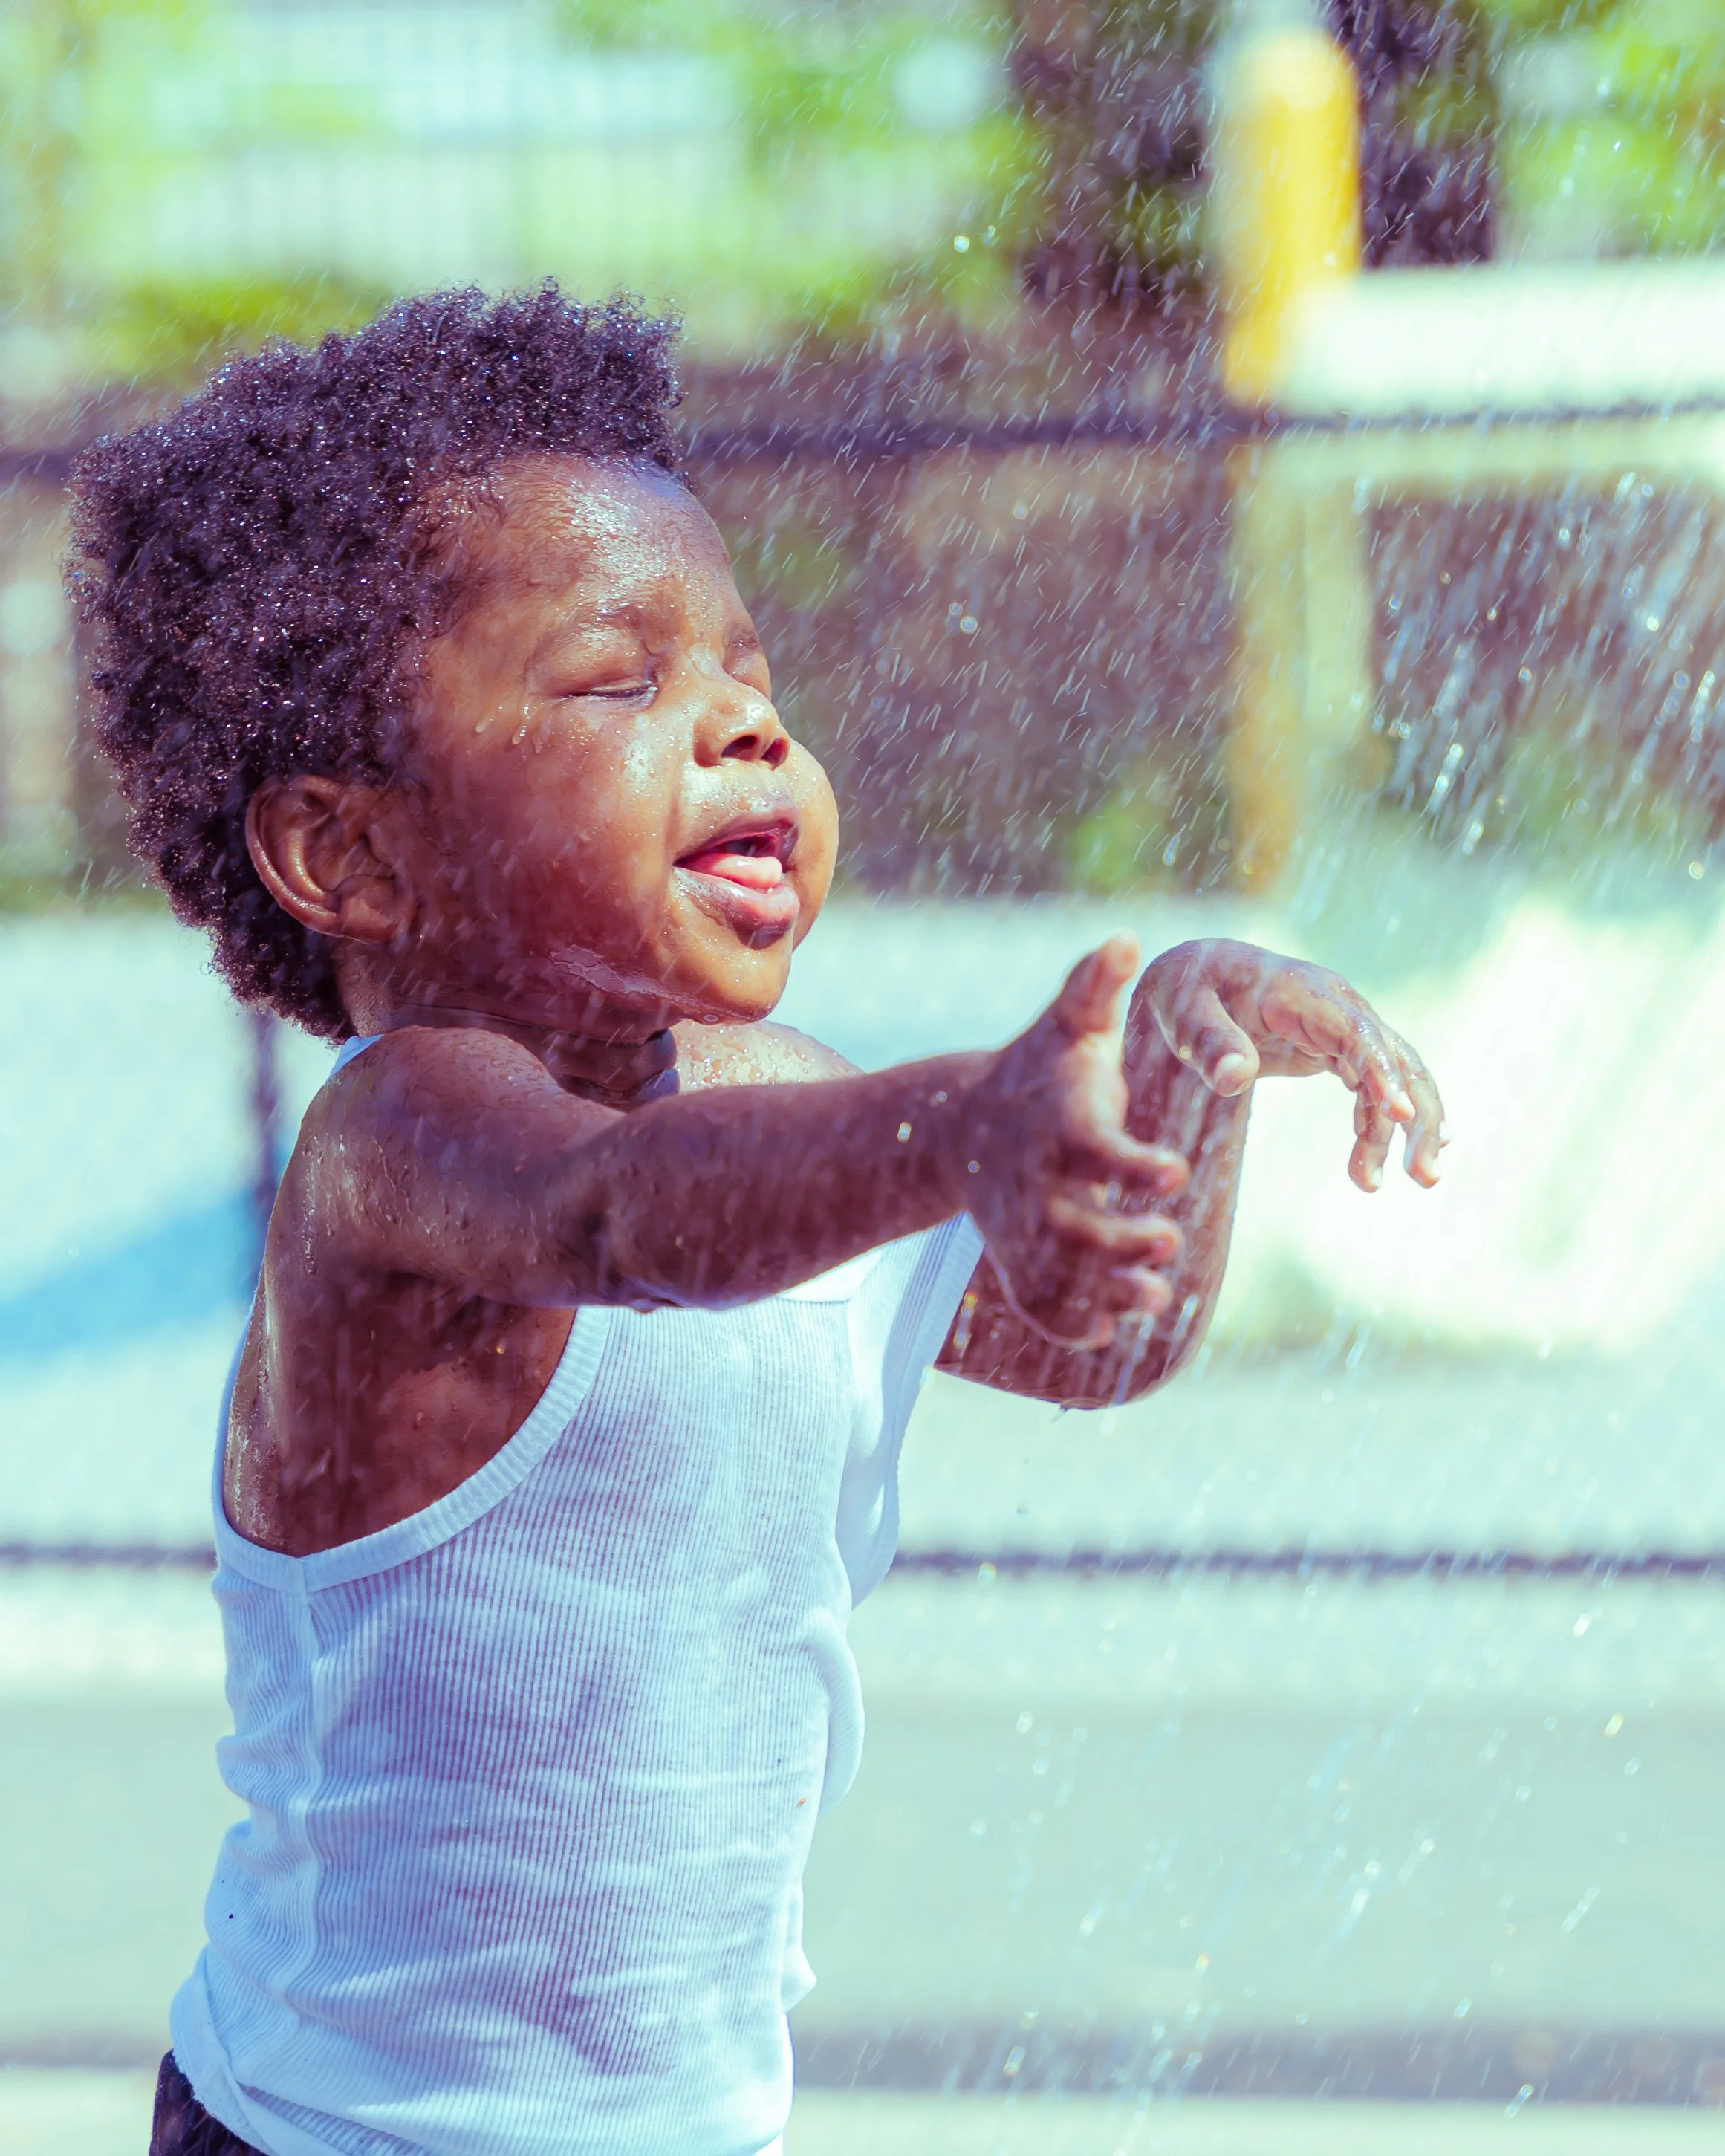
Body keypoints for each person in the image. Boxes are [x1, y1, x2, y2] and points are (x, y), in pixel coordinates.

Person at [67, 286, 1443, 2156]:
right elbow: (617, 1211)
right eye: (621, 681)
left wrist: (1185, 1065)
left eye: (755, 674)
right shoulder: (395, 1153)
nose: (741, 728)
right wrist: (966, 1120)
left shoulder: (786, 1100)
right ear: (355, 851)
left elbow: (1086, 1335)